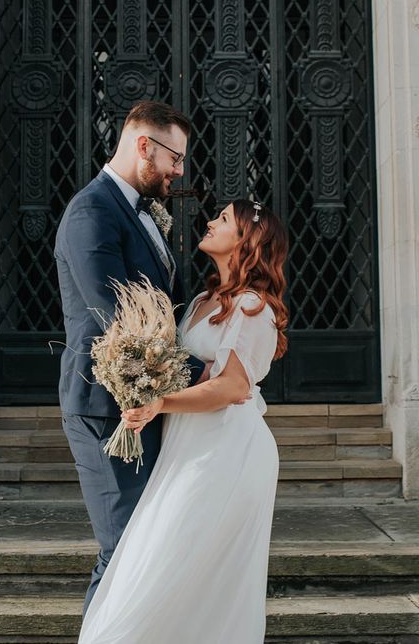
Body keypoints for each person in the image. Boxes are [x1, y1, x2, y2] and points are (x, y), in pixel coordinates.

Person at [77, 199, 289, 644]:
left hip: (226, 451)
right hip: (187, 446)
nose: (211, 222)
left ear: (247, 240)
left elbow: (232, 388)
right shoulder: (200, 301)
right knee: (155, 559)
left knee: (175, 564)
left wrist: (159, 404)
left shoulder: (254, 307)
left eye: (224, 219)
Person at [54, 101, 207, 614]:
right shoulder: (92, 212)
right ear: (145, 146)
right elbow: (116, 312)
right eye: (176, 158)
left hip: (146, 402)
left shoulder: (138, 212)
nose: (179, 171)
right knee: (123, 551)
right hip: (107, 407)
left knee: (147, 550)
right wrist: (201, 378)